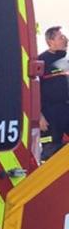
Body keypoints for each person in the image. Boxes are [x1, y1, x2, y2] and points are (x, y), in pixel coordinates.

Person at [38, 26, 69, 157]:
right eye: (61, 37)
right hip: (49, 119)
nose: (66, 40)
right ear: (51, 42)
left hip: (65, 112)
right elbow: (33, 90)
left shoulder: (66, 61)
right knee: (50, 154)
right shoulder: (41, 61)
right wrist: (39, 117)